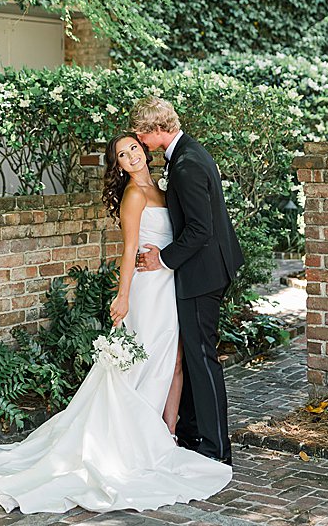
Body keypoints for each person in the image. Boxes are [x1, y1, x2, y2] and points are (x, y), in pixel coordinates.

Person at [0, 133, 232, 513]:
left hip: (169, 282)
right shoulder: (134, 196)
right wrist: (123, 294)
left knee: (174, 361)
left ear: (144, 150)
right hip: (146, 290)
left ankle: (167, 435)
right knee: (143, 362)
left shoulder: (162, 187)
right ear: (118, 165)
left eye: (133, 149)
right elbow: (128, 250)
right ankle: (133, 442)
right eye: (122, 156)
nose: (131, 157)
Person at [131, 96, 244, 465]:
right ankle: (195, 432)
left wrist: (161, 259)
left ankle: (216, 449)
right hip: (206, 269)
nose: (141, 143)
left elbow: (199, 230)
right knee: (194, 356)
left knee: (202, 357)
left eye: (141, 135)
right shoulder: (187, 154)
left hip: (201, 274)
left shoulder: (186, 165)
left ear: (157, 130)